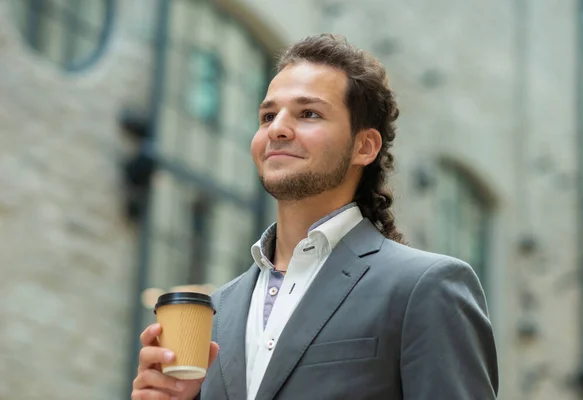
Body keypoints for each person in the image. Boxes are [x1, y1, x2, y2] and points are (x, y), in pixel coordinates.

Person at [132, 33, 499, 400]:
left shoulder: (426, 286)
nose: (277, 128)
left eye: (309, 113)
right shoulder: (219, 310)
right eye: (268, 116)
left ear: (364, 146)